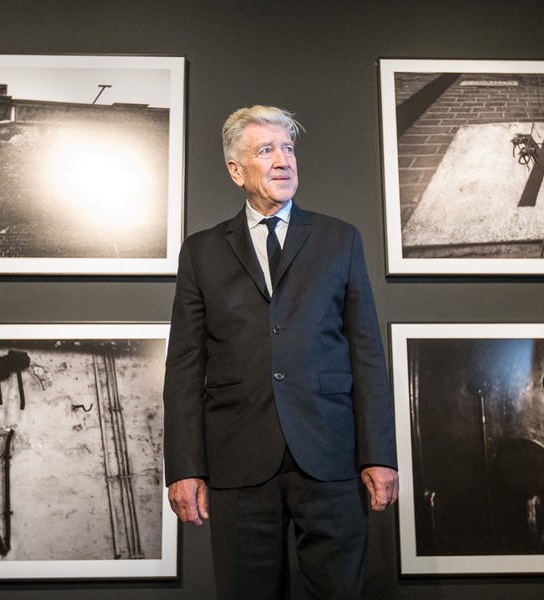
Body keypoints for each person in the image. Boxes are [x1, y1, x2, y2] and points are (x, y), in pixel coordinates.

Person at [163, 105, 398, 600]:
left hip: (330, 454)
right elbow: (184, 367)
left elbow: (367, 354)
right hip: (238, 458)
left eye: (288, 149)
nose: (282, 160)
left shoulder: (340, 239)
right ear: (236, 171)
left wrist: (379, 454)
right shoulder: (202, 251)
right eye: (266, 150)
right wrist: (185, 466)